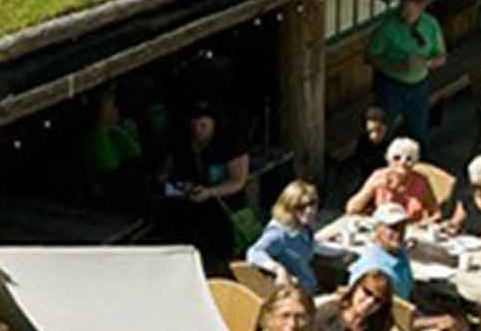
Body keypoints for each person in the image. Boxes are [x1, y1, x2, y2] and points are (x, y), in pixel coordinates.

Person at [156, 102, 254, 275]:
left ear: (214, 123)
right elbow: (166, 174)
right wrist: (181, 185)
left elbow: (238, 181)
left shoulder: (230, 143)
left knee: (226, 253)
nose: (197, 130)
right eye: (193, 125)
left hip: (226, 208)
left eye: (203, 125)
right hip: (191, 208)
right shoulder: (183, 143)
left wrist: (209, 192)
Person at [366, 0, 446, 145]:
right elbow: (370, 56)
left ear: (421, 9)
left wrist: (427, 63)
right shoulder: (388, 27)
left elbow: (441, 56)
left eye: (410, 12)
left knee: (419, 131)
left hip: (419, 86)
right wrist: (394, 66)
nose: (404, 15)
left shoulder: (430, 25)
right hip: (391, 86)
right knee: (382, 131)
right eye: (402, 10)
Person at [245, 180, 324, 296]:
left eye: (312, 203)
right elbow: (254, 253)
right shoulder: (279, 234)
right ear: (288, 208)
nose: (309, 211)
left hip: (311, 288)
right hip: (295, 297)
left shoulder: (304, 227)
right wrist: (278, 269)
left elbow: (313, 246)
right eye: (300, 207)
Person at [78, 83, 148, 208]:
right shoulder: (96, 132)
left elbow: (135, 153)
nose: (115, 109)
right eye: (111, 101)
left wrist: (115, 128)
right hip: (111, 178)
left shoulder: (123, 126)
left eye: (114, 102)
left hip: (116, 178)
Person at [345, 136, 440, 222]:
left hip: (411, 231)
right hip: (383, 228)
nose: (403, 162)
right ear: (388, 159)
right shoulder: (379, 176)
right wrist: (372, 187)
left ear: (415, 161)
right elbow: (352, 209)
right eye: (397, 157)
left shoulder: (421, 182)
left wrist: (425, 224)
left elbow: (436, 213)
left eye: (409, 159)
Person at [331, 105, 396, 198]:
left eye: (378, 131)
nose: (374, 136)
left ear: (385, 128)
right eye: (370, 131)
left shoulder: (393, 146)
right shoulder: (363, 143)